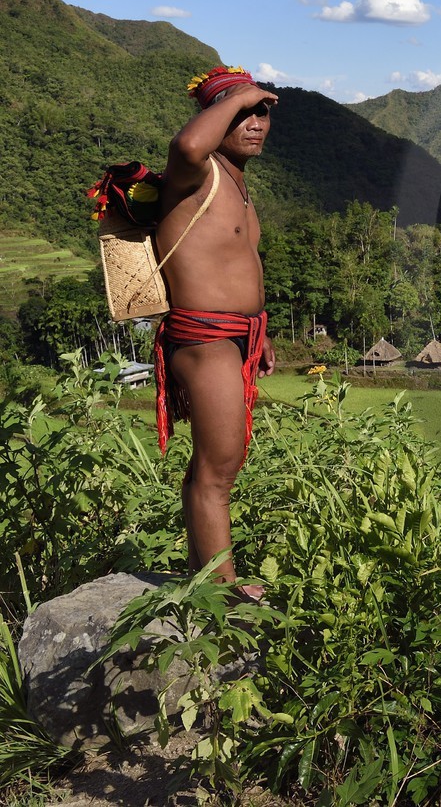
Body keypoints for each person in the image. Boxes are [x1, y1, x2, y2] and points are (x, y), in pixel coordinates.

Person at [153, 65, 277, 598]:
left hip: (236, 335)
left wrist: (260, 330)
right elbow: (185, 146)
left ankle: (199, 571)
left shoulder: (238, 185)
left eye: (262, 112)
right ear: (216, 118)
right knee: (219, 467)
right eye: (242, 112)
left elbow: (243, 260)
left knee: (214, 464)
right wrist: (239, 95)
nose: (255, 121)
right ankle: (225, 591)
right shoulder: (196, 175)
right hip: (203, 339)